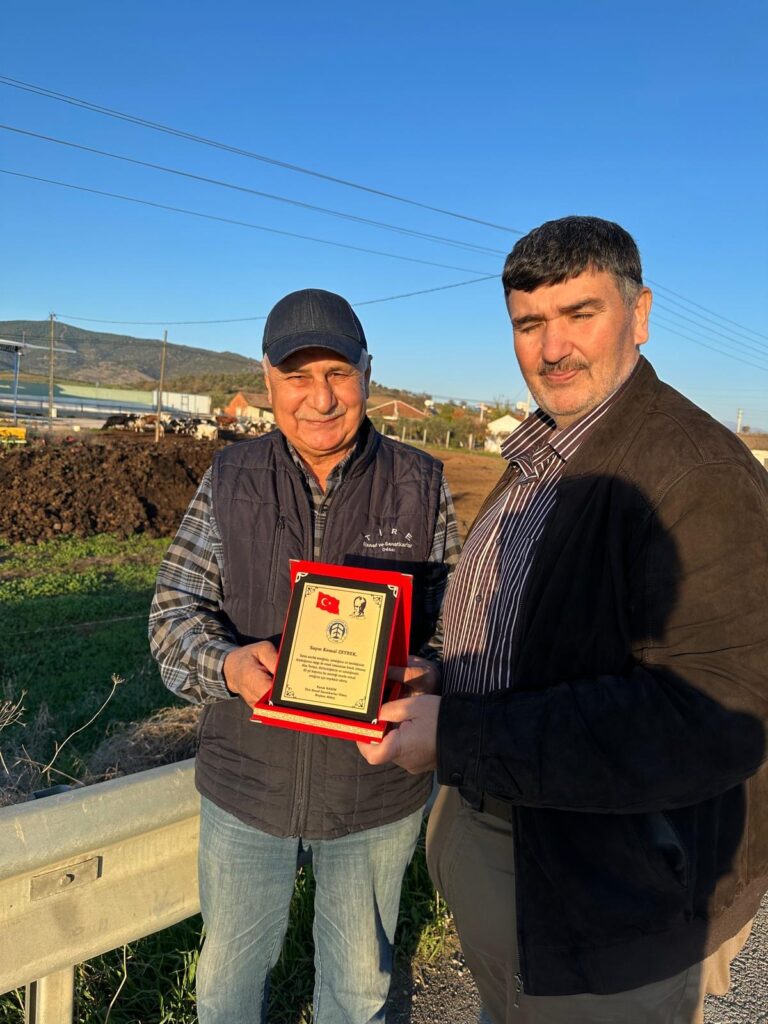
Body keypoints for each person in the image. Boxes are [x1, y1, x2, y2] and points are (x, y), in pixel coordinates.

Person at [359, 217, 768, 1023]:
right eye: (530, 323)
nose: (554, 347)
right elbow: (527, 629)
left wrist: (459, 735)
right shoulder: (543, 456)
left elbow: (711, 718)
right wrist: (445, 676)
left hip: (609, 904)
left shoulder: (694, 474)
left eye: (581, 314)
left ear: (640, 314)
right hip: (524, 871)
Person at [149, 288, 459, 1024]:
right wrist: (227, 667)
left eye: (338, 374)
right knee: (228, 989)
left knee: (357, 993)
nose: (318, 398)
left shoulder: (421, 484)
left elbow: (459, 630)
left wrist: (431, 672)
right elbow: (171, 618)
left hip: (373, 797)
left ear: (367, 375)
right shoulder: (230, 479)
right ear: (267, 382)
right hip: (246, 789)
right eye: (297, 376)